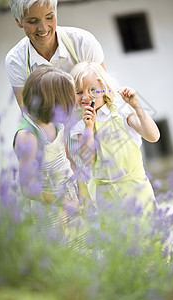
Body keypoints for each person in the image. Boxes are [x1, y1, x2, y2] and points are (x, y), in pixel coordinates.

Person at [70, 61, 160, 215]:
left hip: (137, 190)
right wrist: (89, 128)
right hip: (107, 196)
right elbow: (88, 161)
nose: (86, 96)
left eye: (92, 89)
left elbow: (153, 136)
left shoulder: (122, 112)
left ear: (104, 88)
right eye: (79, 92)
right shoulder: (80, 127)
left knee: (148, 236)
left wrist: (137, 106)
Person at [13, 66, 88, 246]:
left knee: (85, 249)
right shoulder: (28, 136)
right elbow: (27, 186)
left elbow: (67, 159)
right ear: (53, 102)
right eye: (69, 100)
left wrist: (82, 190)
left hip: (72, 198)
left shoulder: (56, 122)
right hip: (51, 208)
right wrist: (63, 203)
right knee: (64, 257)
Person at [5, 0, 105, 110]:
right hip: (53, 126)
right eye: (33, 21)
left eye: (49, 17)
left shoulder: (83, 42)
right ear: (18, 21)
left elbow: (105, 95)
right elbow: (29, 113)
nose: (43, 28)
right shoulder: (15, 61)